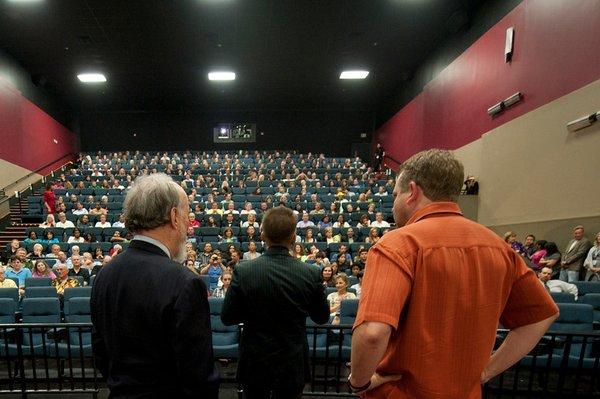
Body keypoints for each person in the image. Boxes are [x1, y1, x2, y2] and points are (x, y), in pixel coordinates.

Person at [350, 149, 558, 398]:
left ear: (413, 192)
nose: (393, 203)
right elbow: (541, 316)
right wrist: (487, 371)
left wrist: (359, 382)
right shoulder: (500, 247)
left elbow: (373, 333)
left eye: (396, 194)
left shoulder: (396, 245)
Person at [90, 173, 218, 398]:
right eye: (187, 215)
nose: (189, 225)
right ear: (174, 216)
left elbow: (101, 353)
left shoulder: (105, 275)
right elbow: (198, 376)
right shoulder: (185, 283)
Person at [221, 206, 329, 399]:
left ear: (262, 235)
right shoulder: (311, 273)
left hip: (255, 360)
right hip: (292, 361)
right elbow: (321, 317)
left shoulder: (243, 271)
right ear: (293, 236)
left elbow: (228, 317)